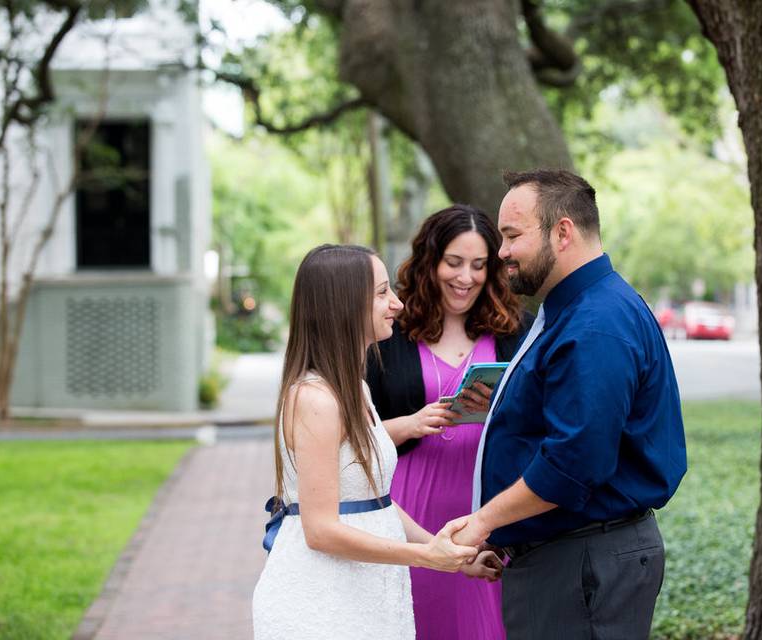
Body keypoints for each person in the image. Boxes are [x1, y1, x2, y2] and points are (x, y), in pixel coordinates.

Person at [455, 170, 687, 639]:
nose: (501, 252)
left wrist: (484, 522)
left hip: (581, 563)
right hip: (570, 557)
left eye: (512, 235)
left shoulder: (595, 323)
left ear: (562, 232)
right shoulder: (577, 308)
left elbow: (573, 463)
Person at [252, 244, 501, 640]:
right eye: (383, 293)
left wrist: (448, 553)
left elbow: (376, 500)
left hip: (368, 592)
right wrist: (426, 558)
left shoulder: (355, 389)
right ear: (345, 305)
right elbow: (320, 531)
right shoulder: (314, 398)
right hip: (323, 603)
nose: (398, 304)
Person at [366, 205, 528, 640]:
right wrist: (412, 422)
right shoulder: (389, 335)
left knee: (485, 625)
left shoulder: (517, 332)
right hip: (409, 504)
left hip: (487, 509)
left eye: (479, 265)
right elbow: (352, 439)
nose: (466, 277)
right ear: (430, 261)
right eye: (453, 263)